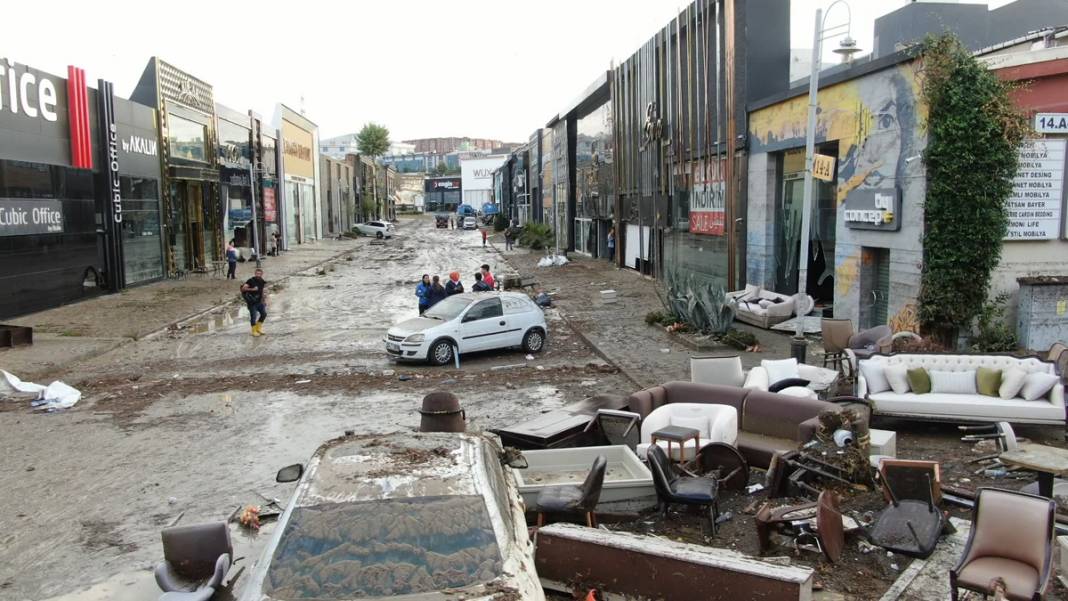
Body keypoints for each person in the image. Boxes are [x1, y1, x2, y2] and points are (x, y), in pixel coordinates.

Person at [240, 268, 268, 336]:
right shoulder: (251, 280)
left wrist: (264, 300)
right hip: (252, 303)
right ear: (255, 273)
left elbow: (262, 291)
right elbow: (243, 288)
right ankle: (253, 331)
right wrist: (253, 289)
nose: (258, 275)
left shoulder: (262, 281)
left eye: (259, 274)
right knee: (254, 316)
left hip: (259, 302)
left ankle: (258, 328)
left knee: (264, 314)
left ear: (262, 274)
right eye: (257, 273)